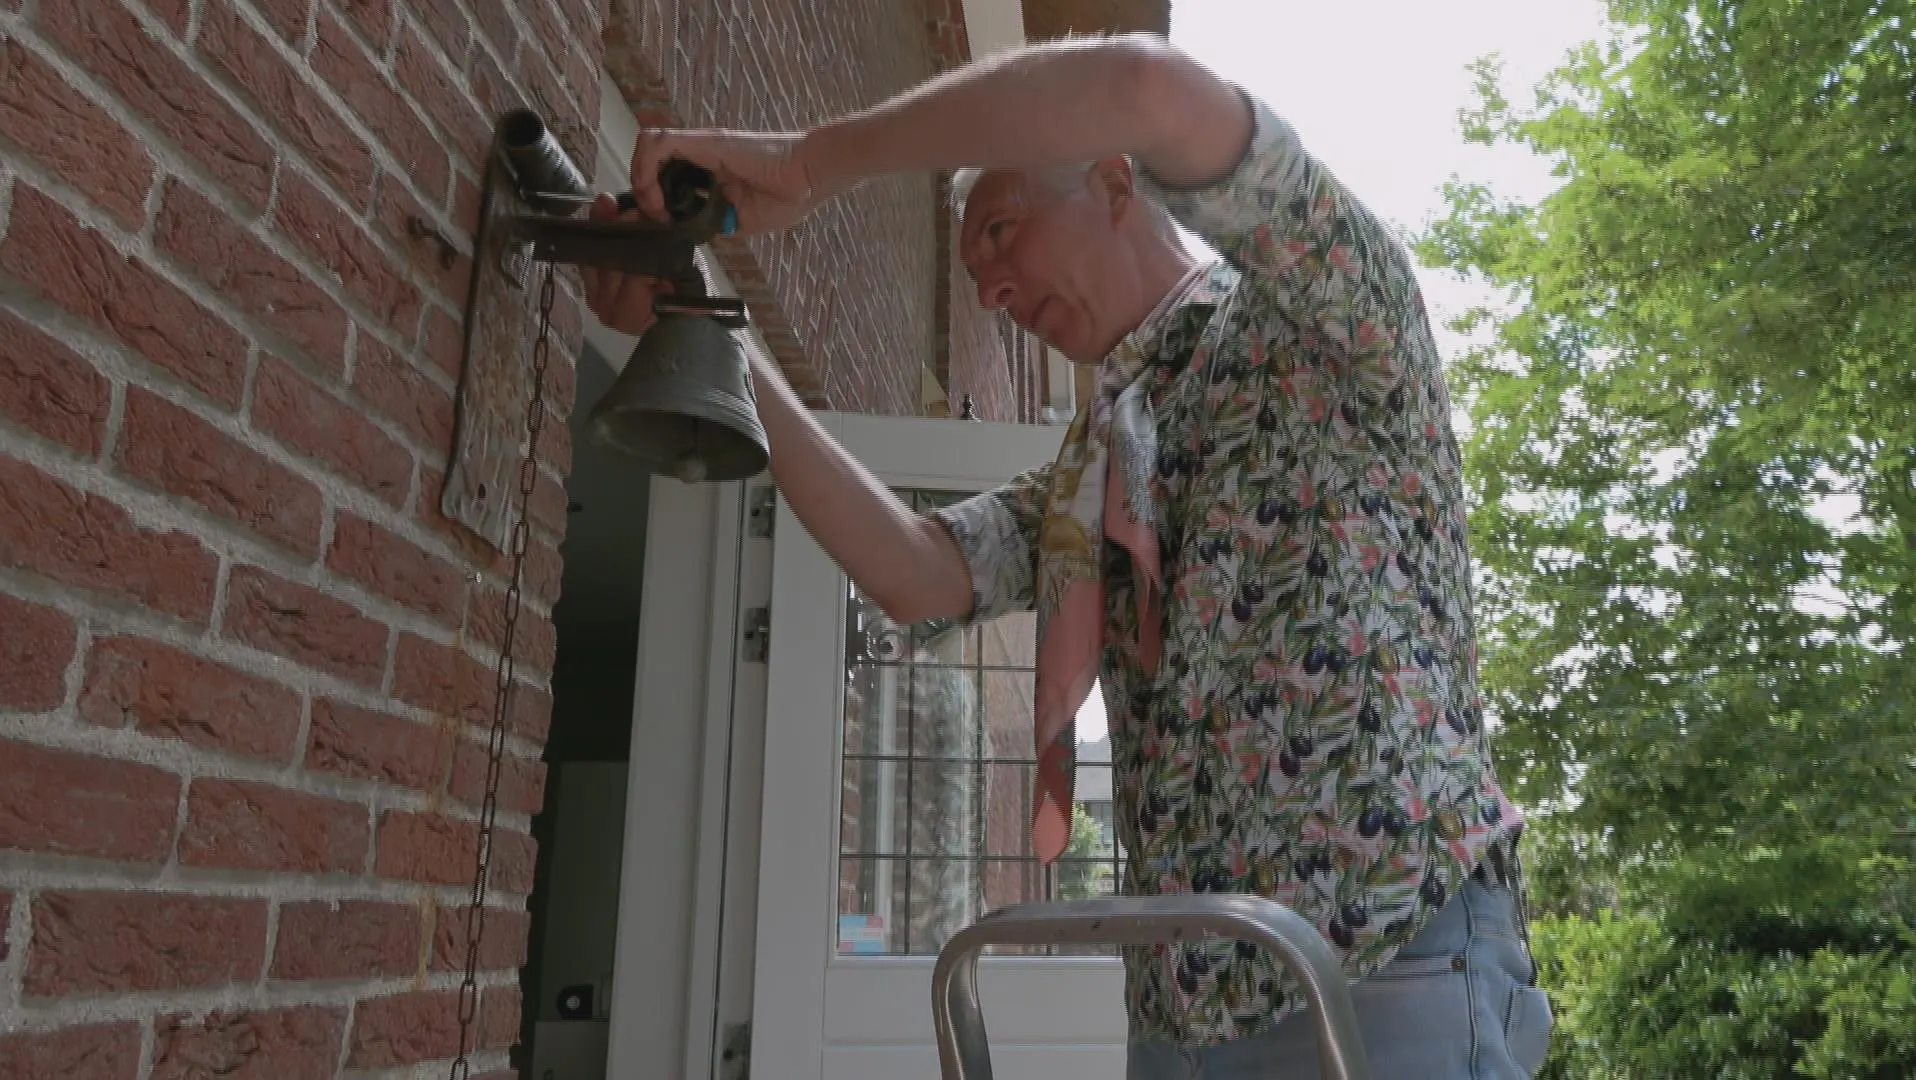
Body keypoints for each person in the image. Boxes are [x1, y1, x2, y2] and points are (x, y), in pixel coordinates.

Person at [583, 33, 1552, 1080]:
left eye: (1004, 232)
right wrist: (713, 334)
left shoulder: (1325, 319)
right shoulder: (1090, 471)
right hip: (1178, 1005)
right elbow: (917, 570)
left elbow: (1142, 86)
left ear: (1114, 181)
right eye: (975, 277)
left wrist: (814, 162)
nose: (992, 293)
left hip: (1385, 963)